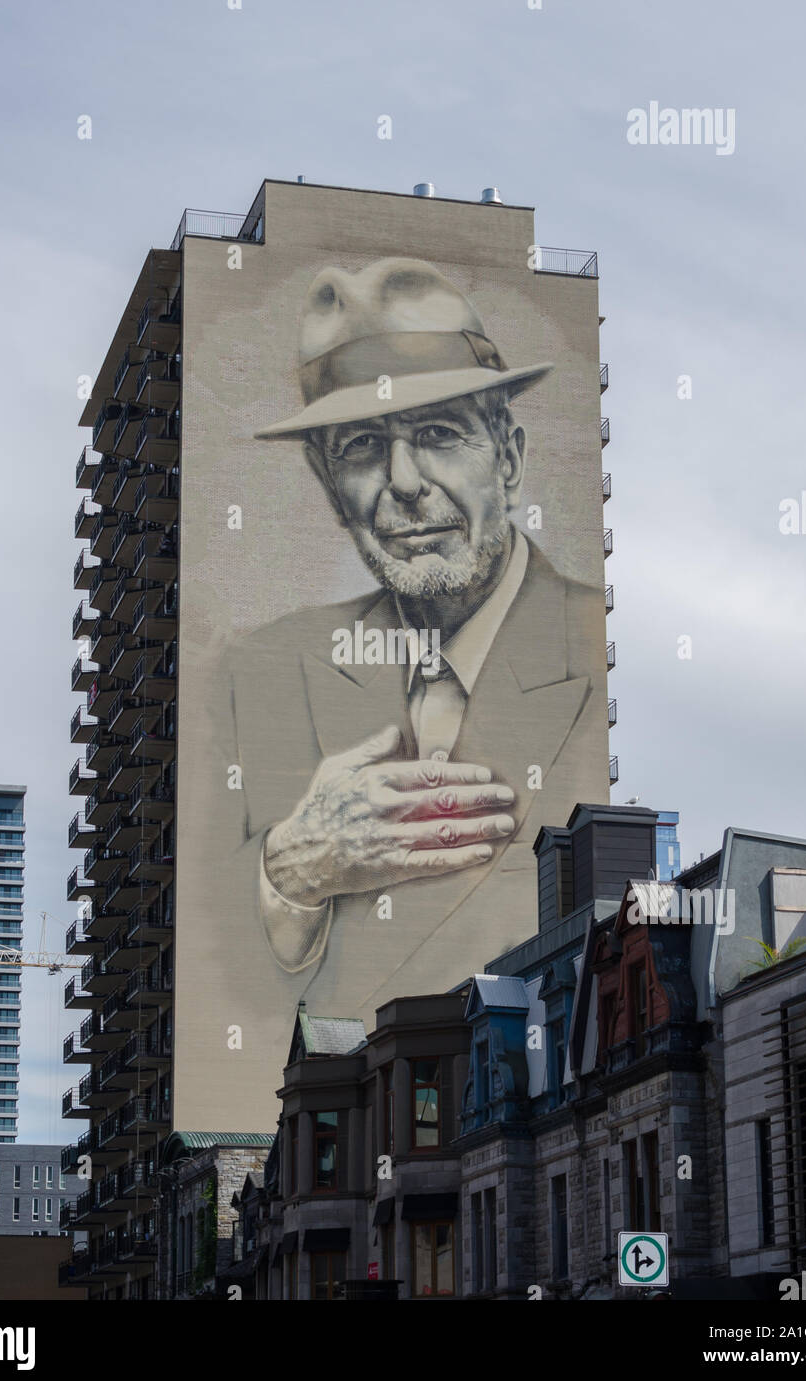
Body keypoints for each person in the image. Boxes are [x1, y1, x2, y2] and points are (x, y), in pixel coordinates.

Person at [211, 257, 607, 1025]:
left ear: (512, 459)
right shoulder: (264, 668)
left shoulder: (582, 646)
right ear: (330, 486)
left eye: (437, 434)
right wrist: (289, 874)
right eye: (362, 446)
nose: (403, 481)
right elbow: (222, 966)